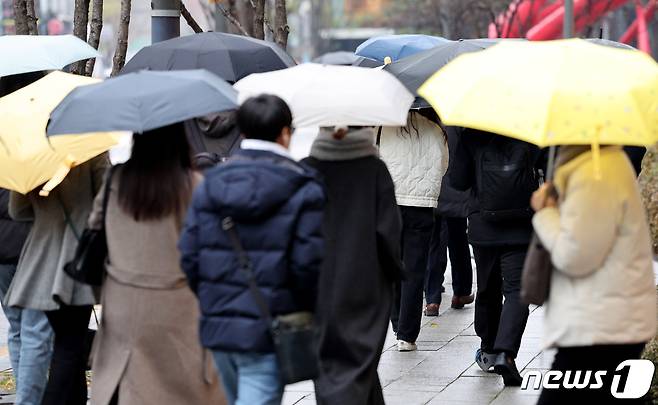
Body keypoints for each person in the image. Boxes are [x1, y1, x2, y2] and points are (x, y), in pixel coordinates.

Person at [179, 95, 324, 405]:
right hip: (271, 327)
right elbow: (308, 265)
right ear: (285, 132)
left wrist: (213, 299)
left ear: (242, 132)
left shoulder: (209, 184)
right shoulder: (303, 187)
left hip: (218, 326)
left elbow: (189, 255)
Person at [88, 123, 226, 405]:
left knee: (127, 381)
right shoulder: (193, 186)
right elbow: (208, 250)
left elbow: (95, 225)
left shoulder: (116, 180)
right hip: (176, 303)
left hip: (122, 299)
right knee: (178, 387)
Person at [532, 145, 657, 404]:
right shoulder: (603, 165)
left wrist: (545, 214)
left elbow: (574, 256)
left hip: (598, 323)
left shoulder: (595, 173)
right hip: (608, 317)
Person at [303, 126, 403, 405]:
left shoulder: (306, 170)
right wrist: (395, 272)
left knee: (328, 363)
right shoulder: (374, 170)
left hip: (317, 282)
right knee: (361, 359)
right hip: (366, 281)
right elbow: (389, 232)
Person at [8, 154, 109, 405]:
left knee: (65, 343)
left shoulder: (34, 155)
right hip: (78, 258)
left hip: (41, 259)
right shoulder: (92, 151)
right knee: (69, 347)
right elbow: (106, 202)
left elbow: (17, 210)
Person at [451, 129, 542, 386]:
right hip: (521, 225)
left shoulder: (472, 134)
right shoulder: (530, 131)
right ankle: (506, 353)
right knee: (516, 291)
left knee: (488, 287)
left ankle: (489, 349)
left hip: (483, 226)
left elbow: (457, 182)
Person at [0, 71, 54, 405]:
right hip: (33, 242)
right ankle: (29, 400)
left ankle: (25, 394)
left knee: (19, 327)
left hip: (2, 247)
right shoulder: (35, 130)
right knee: (36, 329)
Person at [380, 110, 449, 352]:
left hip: (390, 203)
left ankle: (397, 322)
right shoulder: (436, 129)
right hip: (421, 206)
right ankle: (407, 335)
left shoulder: (385, 125)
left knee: (391, 265)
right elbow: (443, 166)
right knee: (414, 268)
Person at [425, 126, 474, 315]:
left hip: (433, 186)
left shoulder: (427, 119)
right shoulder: (459, 121)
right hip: (456, 187)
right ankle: (461, 292)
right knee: (458, 240)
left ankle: (432, 299)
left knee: (433, 243)